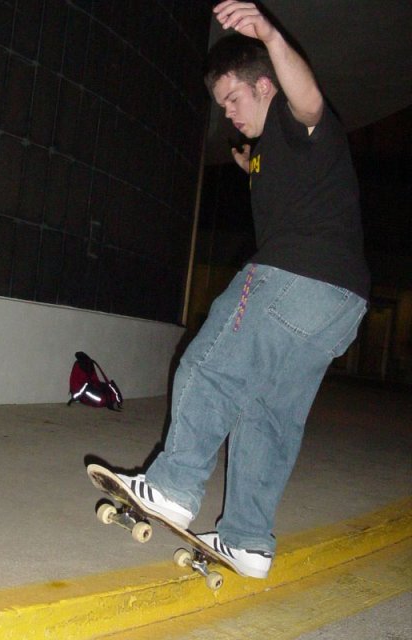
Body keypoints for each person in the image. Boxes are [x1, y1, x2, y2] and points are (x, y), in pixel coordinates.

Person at [116, 1, 370, 579]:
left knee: (211, 366)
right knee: (269, 415)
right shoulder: (273, 150)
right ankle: (248, 541)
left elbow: (309, 101)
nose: (227, 113)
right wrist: (248, 164)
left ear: (264, 85)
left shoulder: (293, 116)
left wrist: (271, 37)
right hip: (339, 304)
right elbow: (292, 180)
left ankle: (173, 486)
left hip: (294, 279)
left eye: (233, 99)